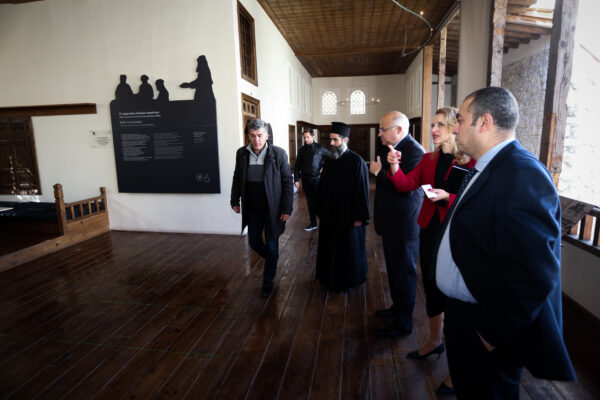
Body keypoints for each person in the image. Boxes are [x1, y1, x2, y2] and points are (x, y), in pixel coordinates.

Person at [432, 87, 575, 399]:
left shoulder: (521, 173)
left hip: (484, 326)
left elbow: (533, 273)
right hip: (465, 315)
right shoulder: (488, 165)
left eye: (461, 119)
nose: (454, 128)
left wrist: (490, 334)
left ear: (484, 122)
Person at [386, 107, 474, 394]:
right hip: (429, 230)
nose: (433, 129)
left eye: (440, 124)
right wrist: (394, 166)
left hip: (455, 233)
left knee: (454, 297)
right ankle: (435, 341)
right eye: (433, 124)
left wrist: (449, 197)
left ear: (454, 127)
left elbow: (475, 201)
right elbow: (406, 185)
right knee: (432, 286)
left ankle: (458, 369)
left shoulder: (471, 160)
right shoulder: (428, 159)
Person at [369, 111, 424, 337]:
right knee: (394, 271)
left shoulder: (415, 152)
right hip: (392, 222)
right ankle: (397, 308)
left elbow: (405, 188)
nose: (379, 134)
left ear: (399, 130)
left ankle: (404, 323)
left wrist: (378, 173)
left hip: (404, 223)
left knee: (404, 274)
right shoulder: (392, 148)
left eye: (383, 129)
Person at [231, 118, 294, 299]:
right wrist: (234, 199)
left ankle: (267, 282)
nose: (256, 139)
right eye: (252, 135)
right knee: (254, 242)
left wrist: (287, 209)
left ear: (267, 135)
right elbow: (237, 177)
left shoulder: (278, 154)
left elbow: (287, 182)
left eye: (259, 135)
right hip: (252, 208)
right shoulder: (241, 153)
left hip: (273, 209)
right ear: (248, 136)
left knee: (272, 244)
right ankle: (273, 259)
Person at [316, 122, 370, 292]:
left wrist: (360, 217)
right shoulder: (330, 160)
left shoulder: (356, 161)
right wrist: (319, 209)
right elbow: (322, 187)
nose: (331, 143)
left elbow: (362, 191)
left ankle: (348, 281)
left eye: (335, 140)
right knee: (330, 247)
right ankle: (329, 278)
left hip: (348, 217)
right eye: (330, 140)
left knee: (347, 250)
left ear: (345, 140)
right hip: (329, 216)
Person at [294, 128, 330, 231]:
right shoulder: (301, 150)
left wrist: (324, 167)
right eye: (304, 137)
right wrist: (296, 179)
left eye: (308, 137)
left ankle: (324, 221)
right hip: (305, 180)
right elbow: (297, 166)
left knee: (320, 201)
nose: (306, 139)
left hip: (317, 180)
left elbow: (331, 157)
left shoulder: (320, 148)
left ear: (313, 136)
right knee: (309, 202)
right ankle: (313, 223)